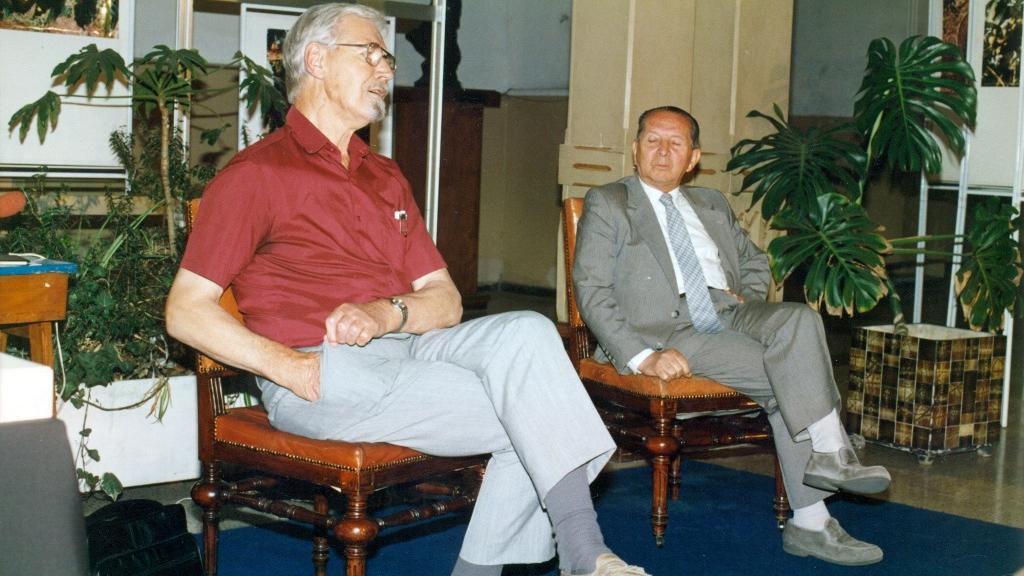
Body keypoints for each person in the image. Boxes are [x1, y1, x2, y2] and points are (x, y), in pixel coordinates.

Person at [165, 4, 649, 576]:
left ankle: (575, 555)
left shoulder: (384, 175)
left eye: (386, 57)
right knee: (539, 411)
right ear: (315, 60)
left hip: (407, 349)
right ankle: (584, 553)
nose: (385, 69)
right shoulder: (256, 175)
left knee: (527, 330)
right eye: (368, 53)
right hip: (326, 371)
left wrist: (385, 312)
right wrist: (291, 370)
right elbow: (186, 311)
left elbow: (444, 301)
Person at [572, 105, 891, 567]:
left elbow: (757, 260)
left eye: (675, 143)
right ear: (636, 148)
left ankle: (827, 456)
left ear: (693, 157)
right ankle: (814, 516)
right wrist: (643, 356)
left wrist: (748, 296)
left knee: (800, 319)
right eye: (652, 140)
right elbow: (592, 290)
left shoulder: (712, 204)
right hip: (667, 332)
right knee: (788, 371)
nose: (663, 151)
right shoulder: (610, 202)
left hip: (726, 312)